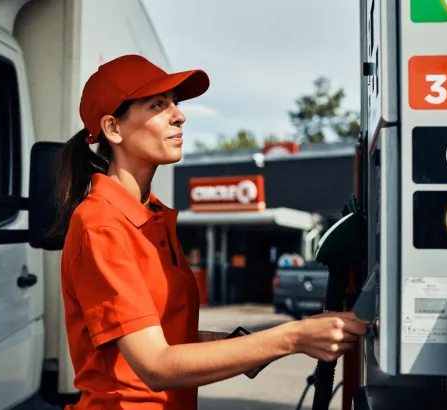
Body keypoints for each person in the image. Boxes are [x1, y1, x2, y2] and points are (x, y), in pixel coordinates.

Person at [50, 54, 369, 410]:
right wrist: (293, 337)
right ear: (113, 129)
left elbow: (164, 338)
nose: (179, 116)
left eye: (176, 103)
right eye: (158, 104)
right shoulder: (102, 224)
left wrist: (248, 346)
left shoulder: (150, 217)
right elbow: (154, 365)